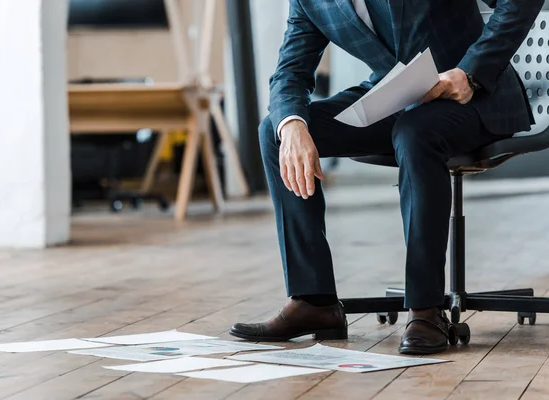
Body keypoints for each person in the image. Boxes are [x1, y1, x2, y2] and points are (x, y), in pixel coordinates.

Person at [229, 0, 542, 355]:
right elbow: (289, 71)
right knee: (276, 130)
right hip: (393, 97)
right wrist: (293, 124)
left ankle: (426, 310)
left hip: (474, 96)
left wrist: (470, 71)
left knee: (414, 133)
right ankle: (314, 301)